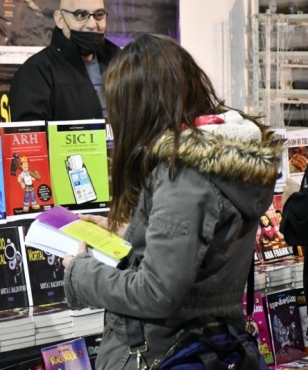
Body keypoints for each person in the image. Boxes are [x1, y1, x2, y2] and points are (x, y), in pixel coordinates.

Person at [62, 33, 283, 369]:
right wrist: (126, 230)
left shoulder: (183, 174)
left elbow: (156, 292)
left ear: (140, 106)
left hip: (158, 352)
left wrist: (80, 274)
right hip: (211, 346)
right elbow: (201, 248)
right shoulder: (223, 162)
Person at [8, 0, 120, 121]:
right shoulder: (35, 72)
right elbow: (30, 136)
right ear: (60, 19)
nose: (92, 24)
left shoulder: (122, 64)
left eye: (99, 15)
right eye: (80, 15)